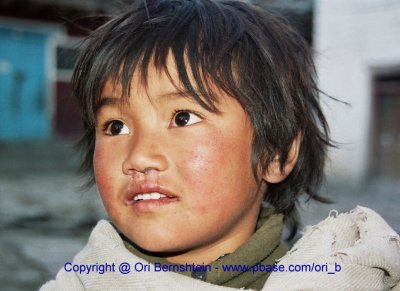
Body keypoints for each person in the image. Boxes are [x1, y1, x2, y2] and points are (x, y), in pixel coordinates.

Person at [40, 0, 400, 290]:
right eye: (115, 126)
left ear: (277, 152)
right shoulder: (83, 281)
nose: (139, 156)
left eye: (183, 118)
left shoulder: (338, 279)